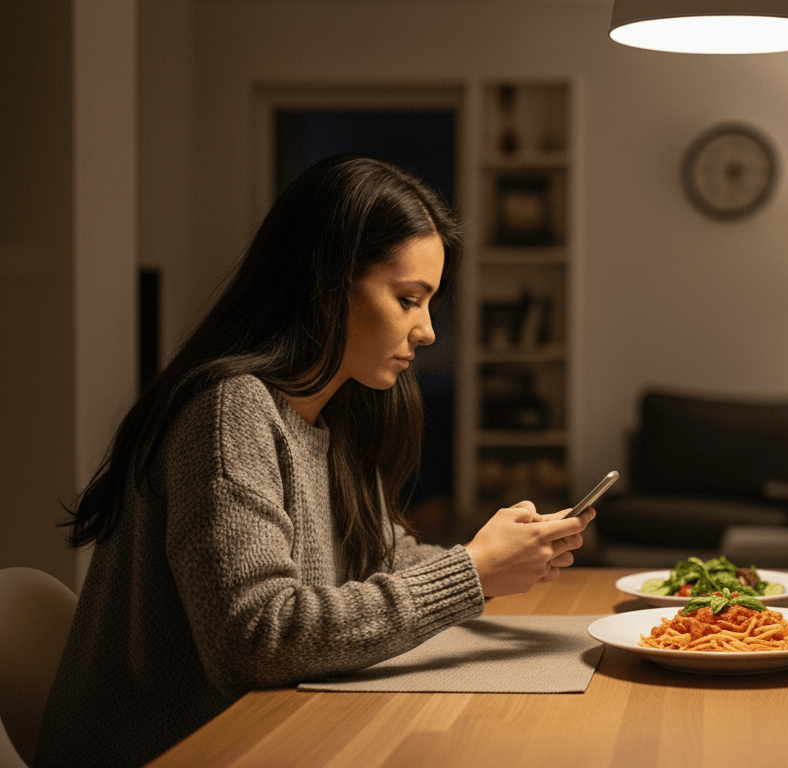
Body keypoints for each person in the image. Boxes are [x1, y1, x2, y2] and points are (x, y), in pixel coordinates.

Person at [36, 155, 593, 767]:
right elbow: (257, 640)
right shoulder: (231, 410)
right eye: (409, 299)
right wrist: (472, 574)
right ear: (326, 284)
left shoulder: (326, 418)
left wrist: (500, 557)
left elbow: (377, 555)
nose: (428, 330)